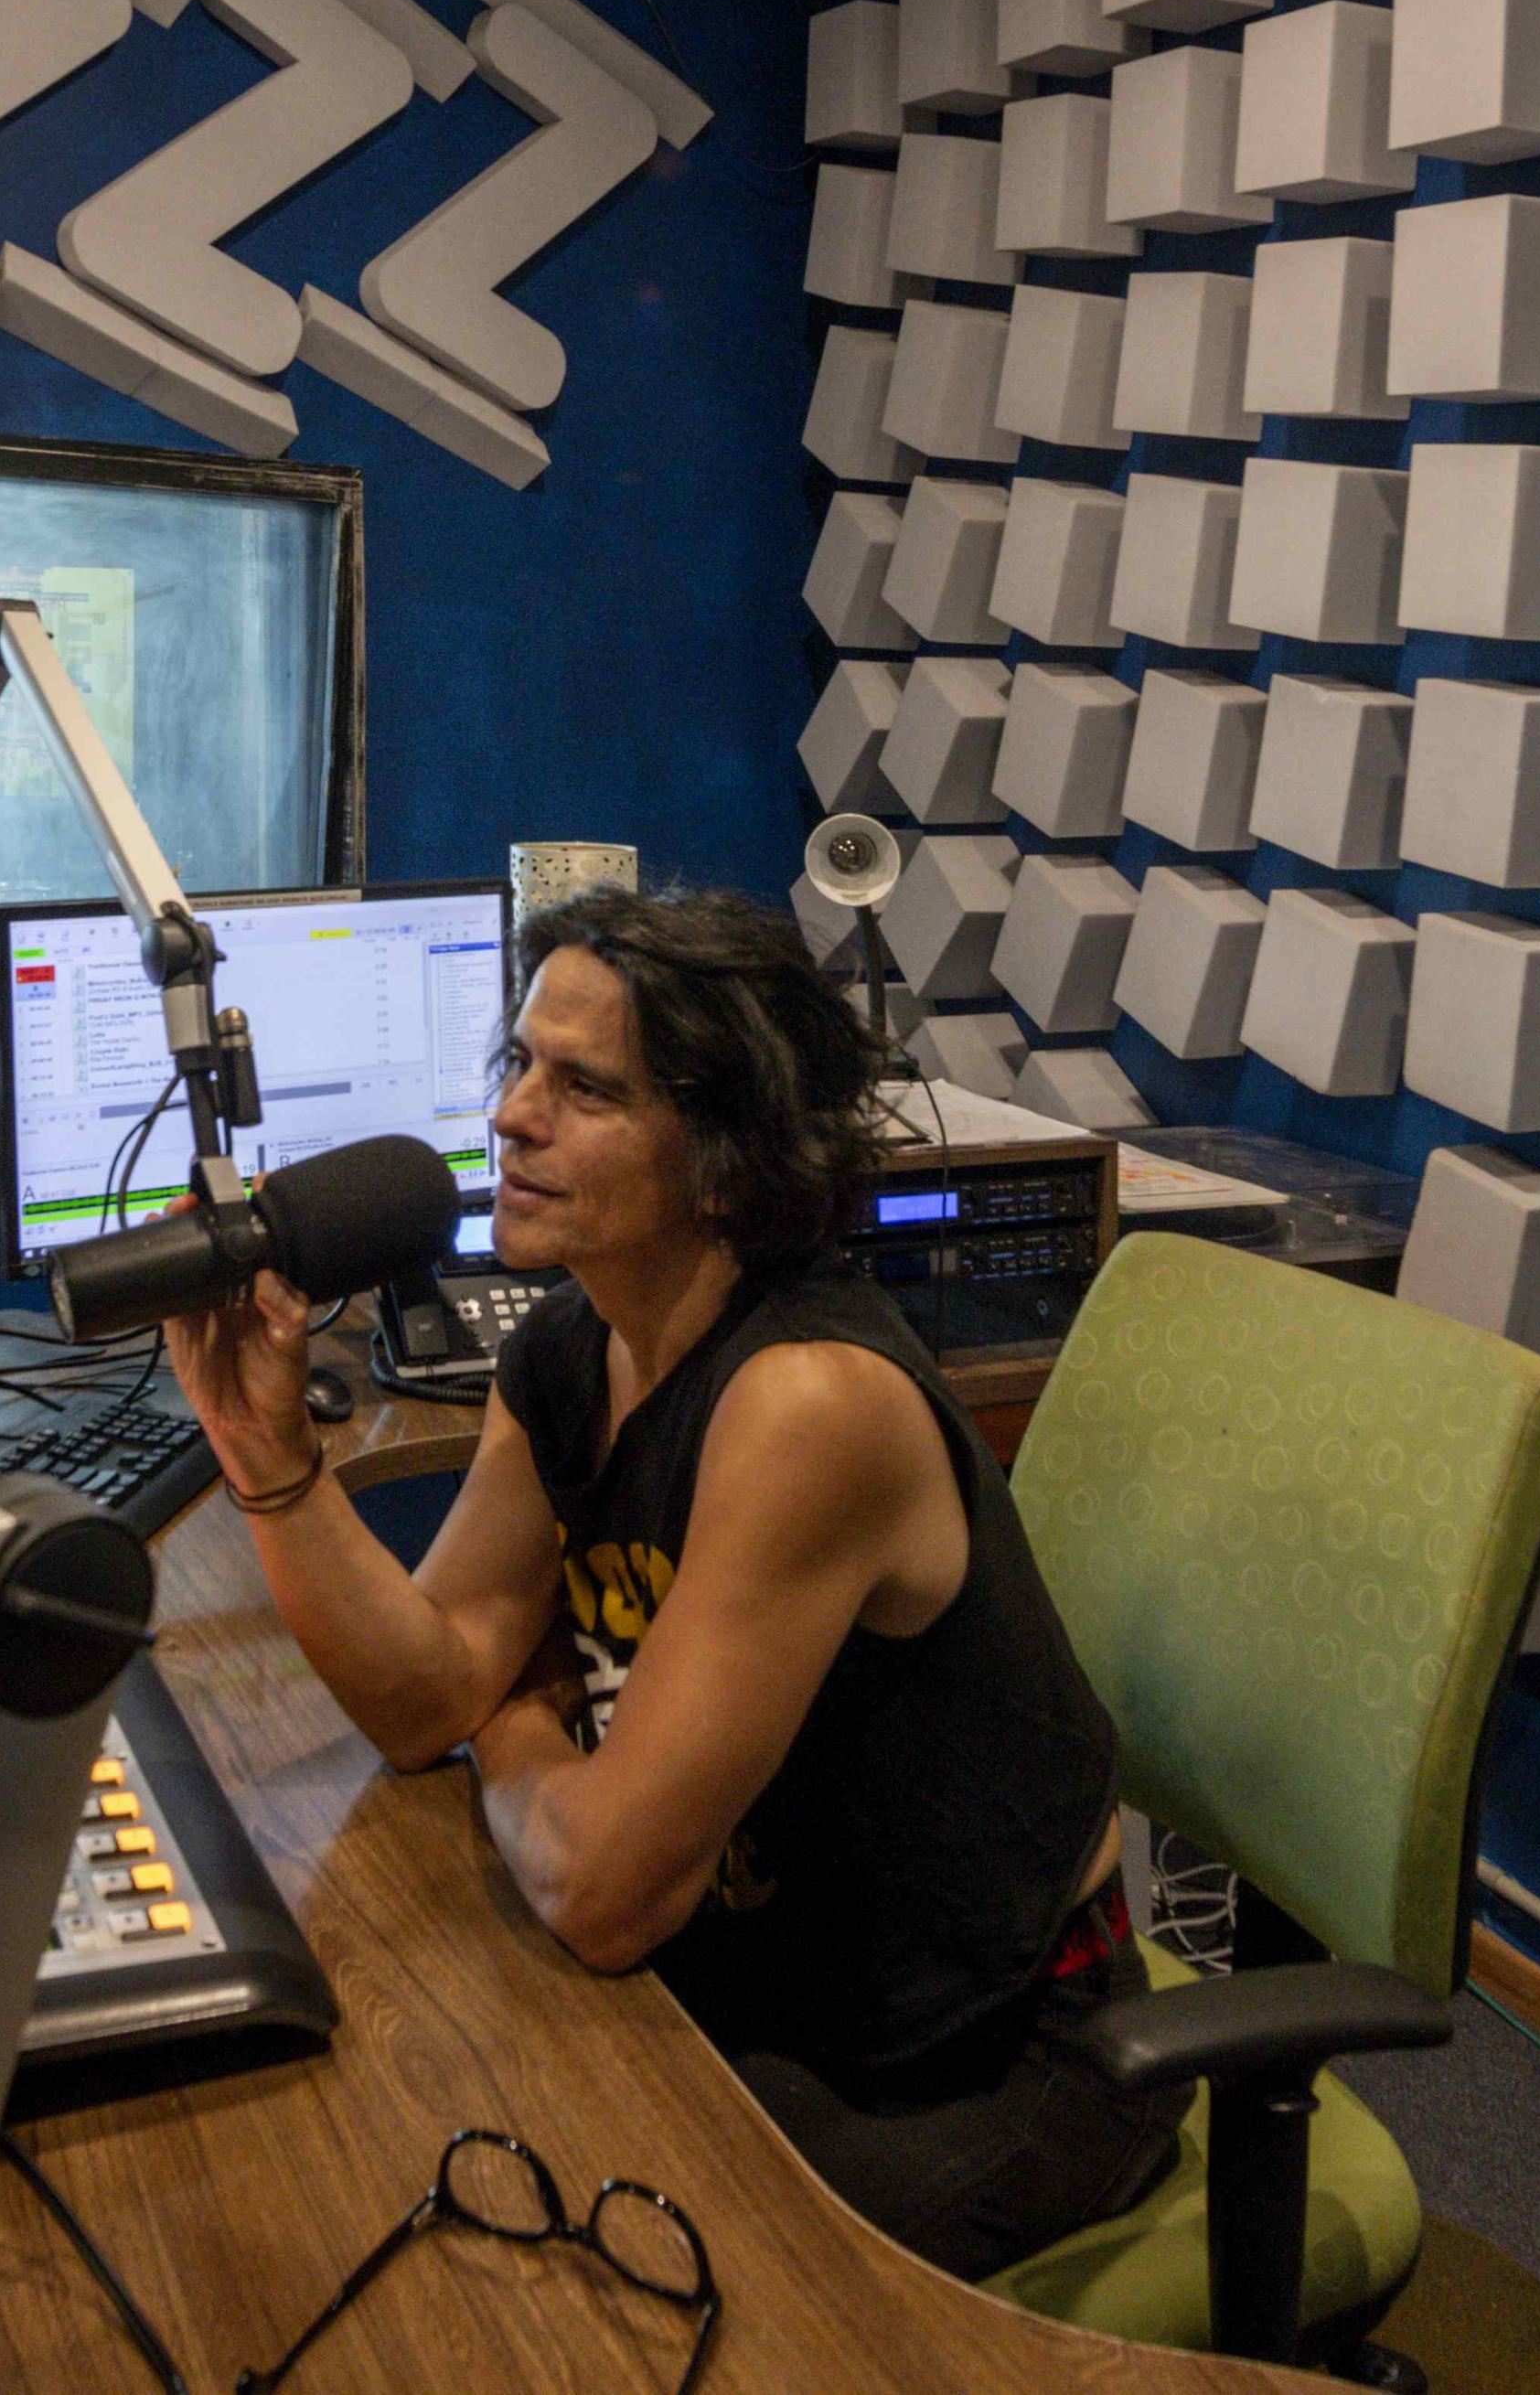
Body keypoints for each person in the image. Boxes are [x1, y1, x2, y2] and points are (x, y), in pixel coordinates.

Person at [162, 884, 1185, 2281]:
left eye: (586, 1087)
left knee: (594, 2285)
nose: (517, 1113)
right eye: (520, 1063)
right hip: (779, 1980)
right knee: (432, 2138)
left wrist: (514, 1719)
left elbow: (601, 1888)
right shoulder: (578, 1352)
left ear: (723, 1161)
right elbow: (422, 1700)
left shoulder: (808, 1404)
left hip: (992, 2057)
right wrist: (271, 1462)